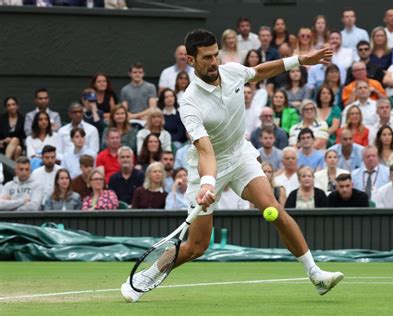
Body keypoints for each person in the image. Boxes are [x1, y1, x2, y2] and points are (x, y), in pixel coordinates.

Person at [121, 29, 343, 303]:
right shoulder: (189, 102)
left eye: (216, 55)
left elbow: (260, 71)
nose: (214, 62)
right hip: (208, 165)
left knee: (273, 208)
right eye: (206, 58)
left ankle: (315, 274)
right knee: (196, 246)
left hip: (240, 155)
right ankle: (148, 274)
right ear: (191, 60)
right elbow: (205, 149)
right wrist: (208, 183)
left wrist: (300, 59)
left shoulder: (232, 71)